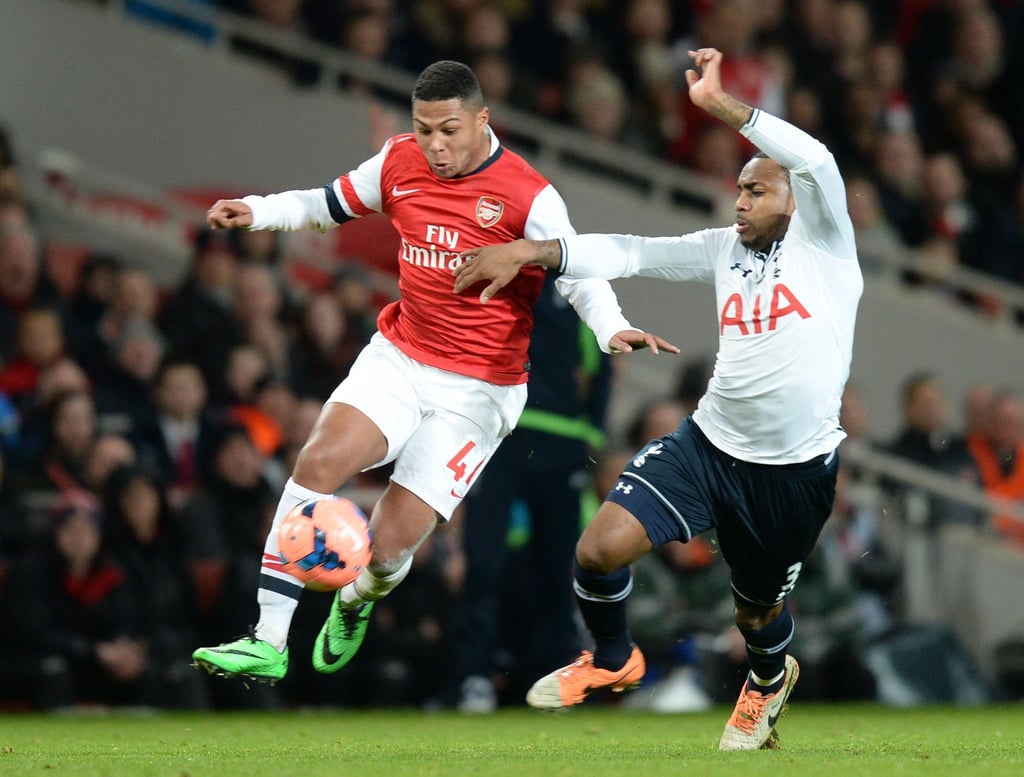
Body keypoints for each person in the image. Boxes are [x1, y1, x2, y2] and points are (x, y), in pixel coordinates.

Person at [190, 60, 676, 687]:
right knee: (318, 460)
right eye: (424, 130)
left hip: (479, 393)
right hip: (401, 356)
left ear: (482, 119)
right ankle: (268, 640)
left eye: (449, 130)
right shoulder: (398, 160)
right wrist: (257, 211)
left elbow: (577, 270)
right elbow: (327, 204)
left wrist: (611, 328)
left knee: (391, 545)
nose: (436, 146)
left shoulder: (529, 194)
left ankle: (357, 599)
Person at [453, 47, 862, 750]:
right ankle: (613, 657)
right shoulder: (722, 249)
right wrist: (531, 253)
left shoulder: (827, 246)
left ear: (795, 199)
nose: (740, 201)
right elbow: (630, 252)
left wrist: (721, 106)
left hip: (791, 472)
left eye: (757, 191)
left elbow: (817, 158)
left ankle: (768, 679)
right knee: (597, 550)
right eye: (738, 189)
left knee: (756, 614)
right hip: (707, 446)